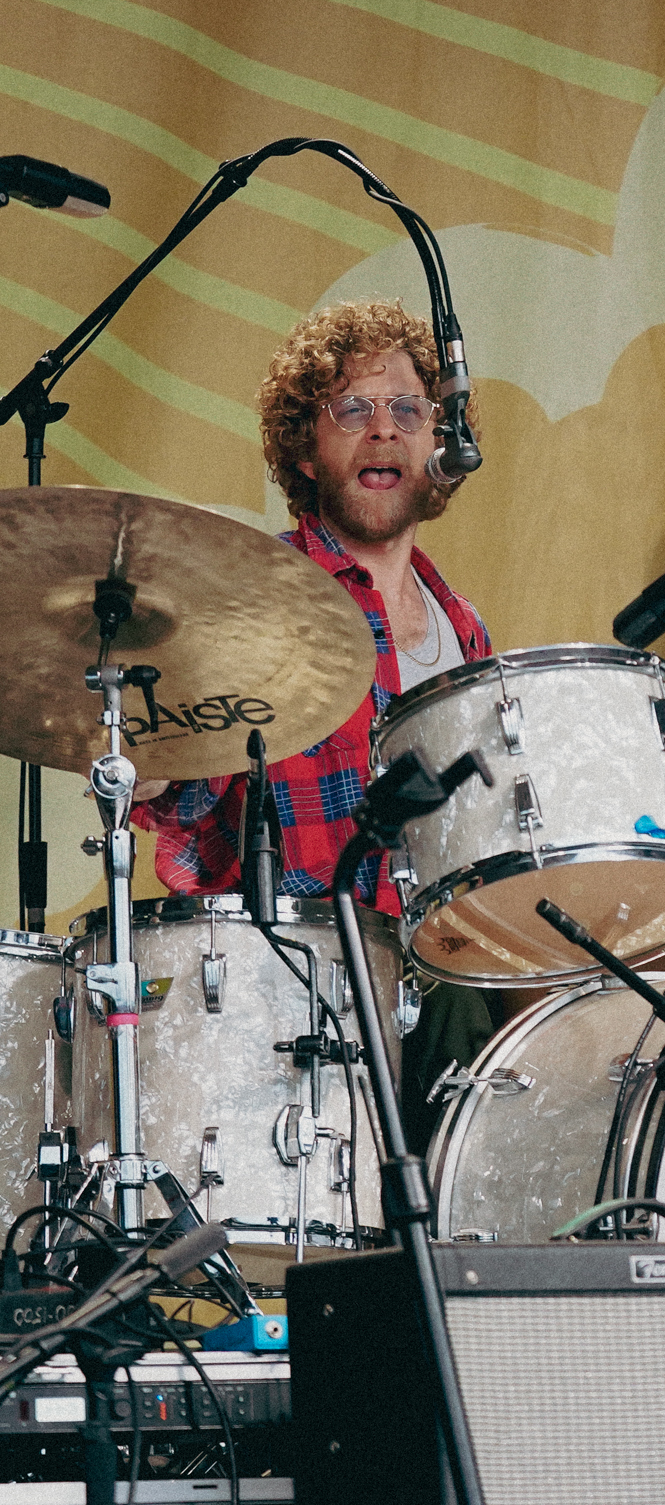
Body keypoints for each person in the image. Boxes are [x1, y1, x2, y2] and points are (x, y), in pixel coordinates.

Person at [132, 299, 494, 1124]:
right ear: (304, 441)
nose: (383, 431)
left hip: (444, 974)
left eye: (408, 410)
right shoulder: (254, 597)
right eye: (352, 409)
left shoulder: (462, 624)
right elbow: (192, 815)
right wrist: (156, 768)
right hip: (299, 985)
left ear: (438, 441)